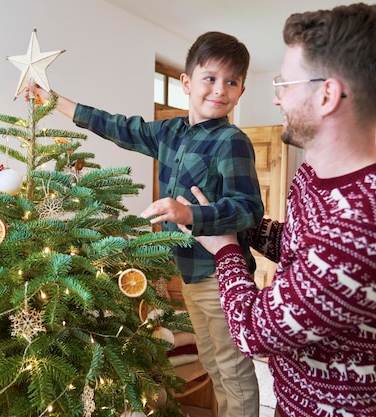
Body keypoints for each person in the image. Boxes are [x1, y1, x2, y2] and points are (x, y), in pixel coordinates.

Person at [166, 4, 376, 417]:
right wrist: (231, 219)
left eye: (284, 83)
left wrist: (223, 246)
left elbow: (254, 332)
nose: (276, 97)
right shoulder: (314, 175)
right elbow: (301, 247)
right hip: (298, 400)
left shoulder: (368, 222)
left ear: (326, 94)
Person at [26, 31, 264, 417]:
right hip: (188, 275)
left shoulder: (231, 141)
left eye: (232, 82)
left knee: (233, 374)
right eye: (210, 78)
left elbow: (248, 208)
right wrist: (54, 102)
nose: (220, 90)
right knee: (215, 368)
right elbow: (117, 126)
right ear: (187, 83)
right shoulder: (169, 132)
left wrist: (190, 215)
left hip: (221, 277)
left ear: (241, 90)